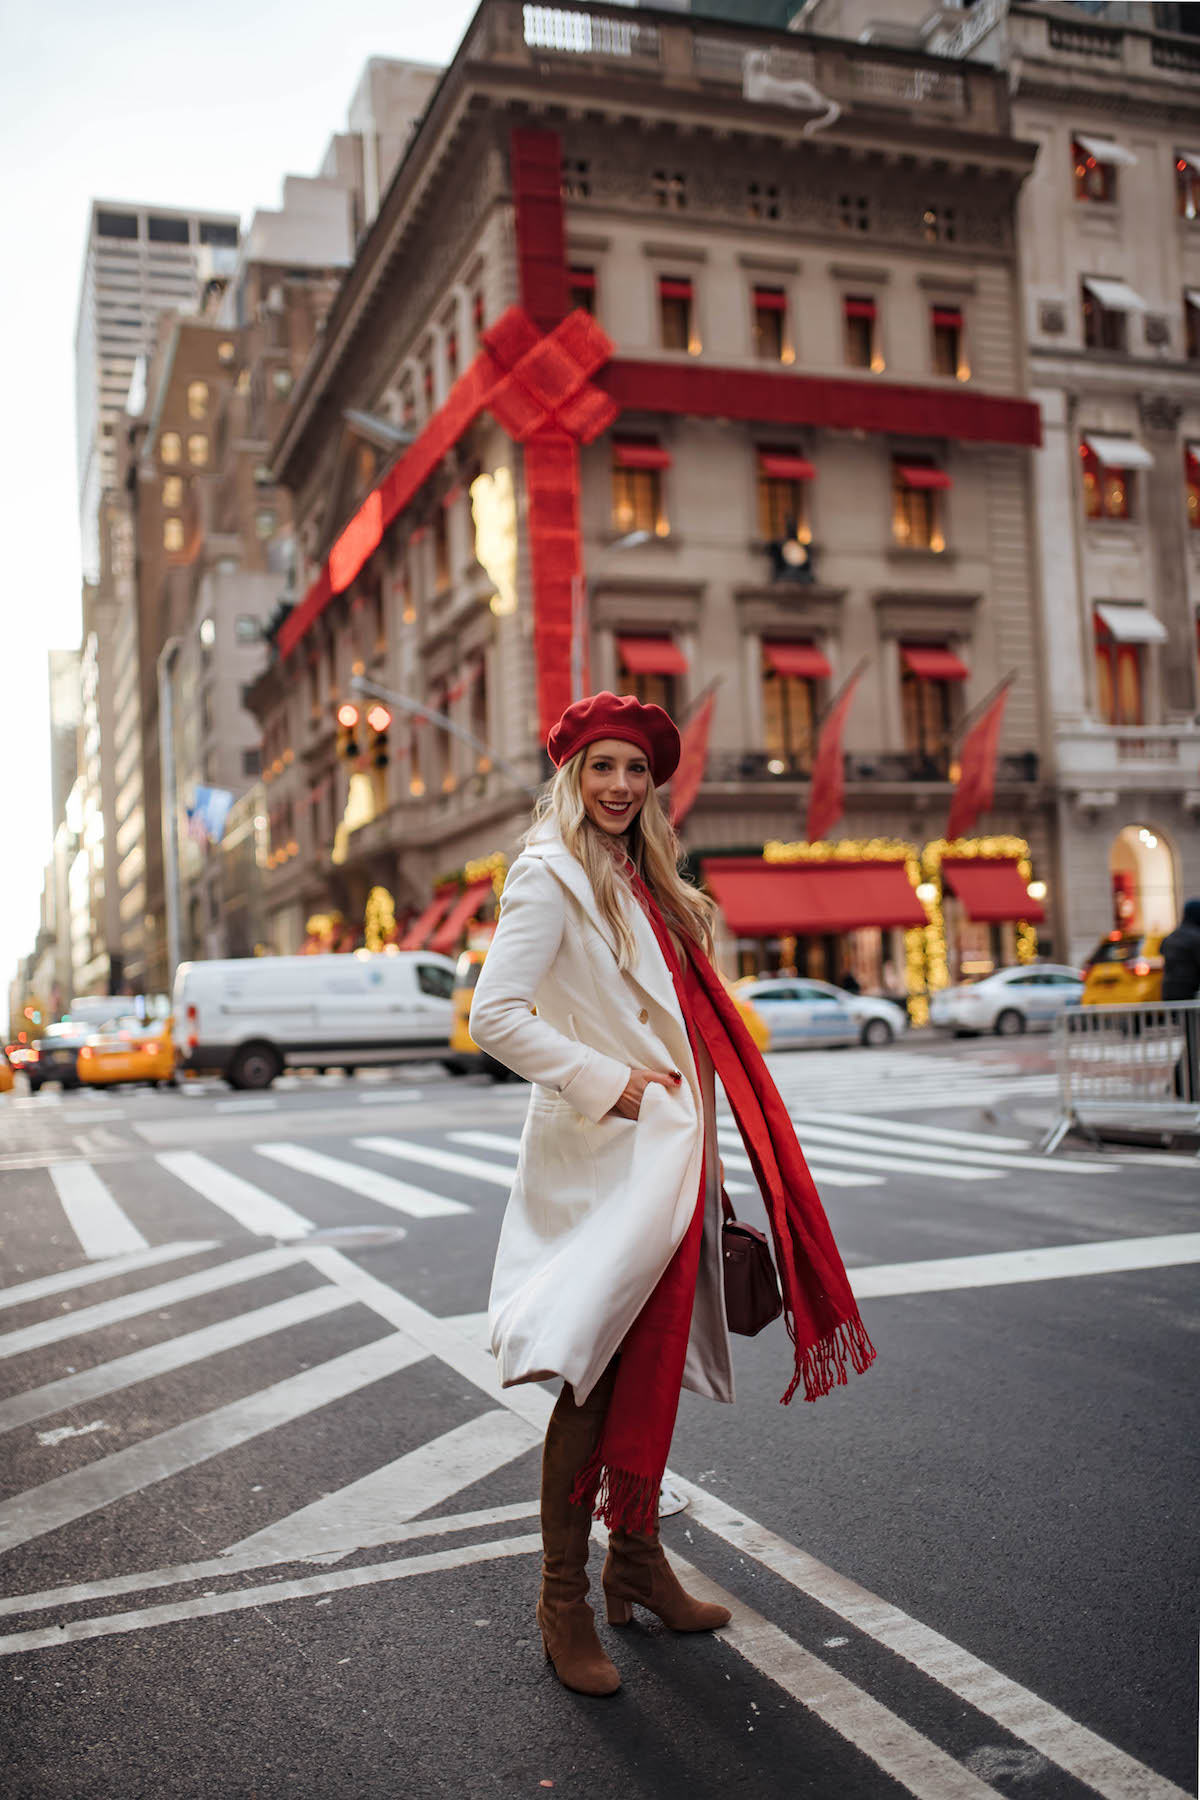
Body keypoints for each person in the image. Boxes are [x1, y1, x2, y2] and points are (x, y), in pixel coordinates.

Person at [469, 692, 875, 1698]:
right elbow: (496, 1016)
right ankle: (562, 1594)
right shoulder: (550, 873)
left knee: (649, 1365)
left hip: (671, 1154)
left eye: (635, 771)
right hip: (606, 1156)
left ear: (654, 785)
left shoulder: (645, 875)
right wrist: (611, 1081)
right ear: (572, 776)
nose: (617, 786)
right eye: (600, 767)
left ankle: (635, 1564)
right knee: (590, 1373)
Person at [1161, 897, 1200, 1100]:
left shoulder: (1174, 936)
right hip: (1189, 997)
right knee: (1193, 1041)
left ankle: (1178, 1084)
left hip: (1173, 997)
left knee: (1192, 1041)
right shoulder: (1194, 937)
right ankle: (1185, 1087)